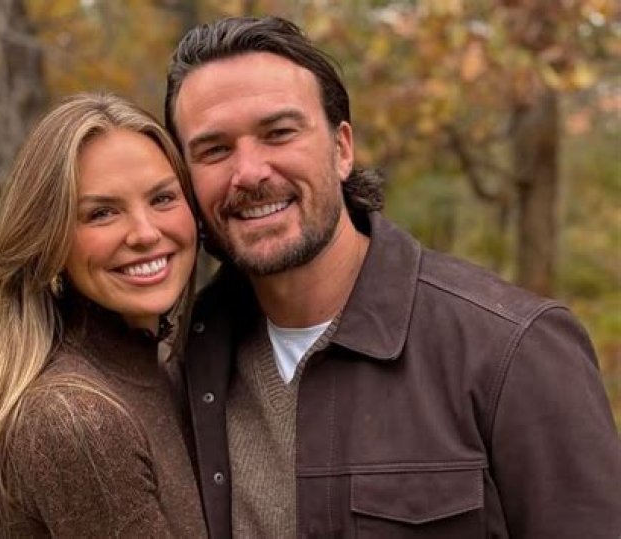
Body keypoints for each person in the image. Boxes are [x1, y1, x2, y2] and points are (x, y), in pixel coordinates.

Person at [164, 16, 621, 539]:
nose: (249, 172)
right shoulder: (183, 359)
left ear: (342, 149)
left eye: (279, 133)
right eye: (214, 150)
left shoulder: (511, 350)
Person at [0, 93, 206, 537]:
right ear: (50, 242)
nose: (144, 233)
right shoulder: (77, 419)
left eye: (162, 198)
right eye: (102, 213)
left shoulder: (161, 373)